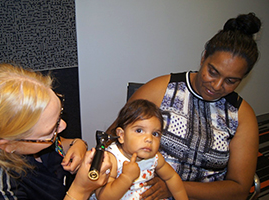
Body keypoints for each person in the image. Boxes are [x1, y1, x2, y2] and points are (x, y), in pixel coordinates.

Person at [107, 13, 261, 200]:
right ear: (204, 57)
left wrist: (174, 186)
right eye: (213, 72)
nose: (217, 85)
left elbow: (239, 189)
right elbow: (113, 137)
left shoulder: (242, 116)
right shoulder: (161, 90)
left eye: (231, 81)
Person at [0, 63, 111, 200]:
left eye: (60, 115)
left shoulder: (27, 140)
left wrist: (77, 144)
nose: (64, 125)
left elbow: (56, 144)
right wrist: (81, 190)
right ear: (8, 146)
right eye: (51, 130)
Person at [93, 99, 188, 200]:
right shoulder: (112, 158)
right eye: (139, 130)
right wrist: (126, 178)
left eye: (155, 134)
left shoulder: (155, 157)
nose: (149, 139)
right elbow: (103, 197)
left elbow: (171, 177)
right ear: (121, 135)